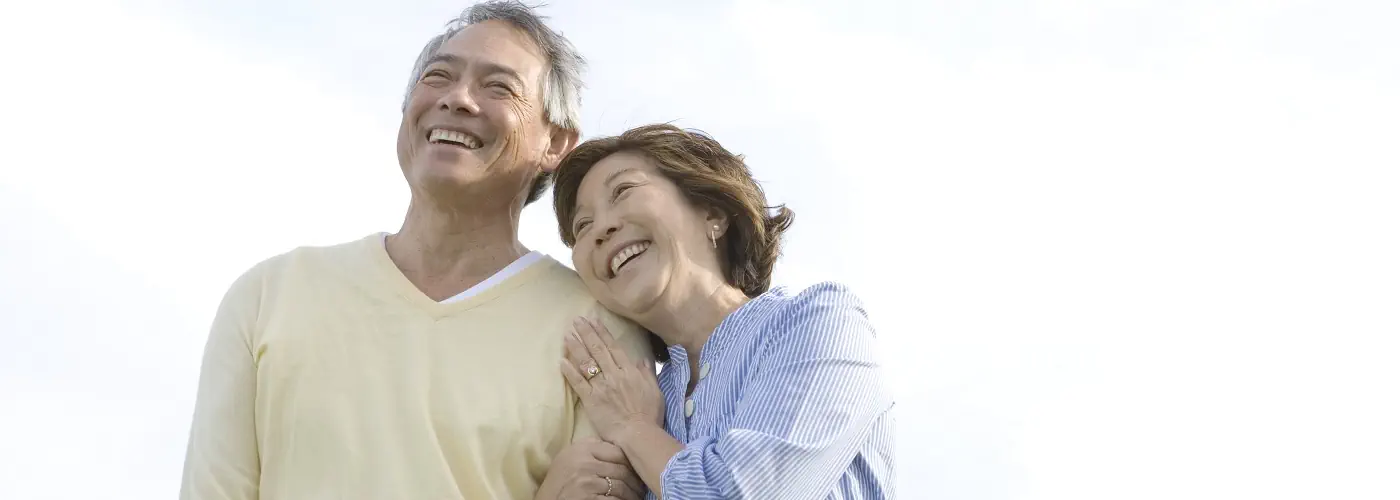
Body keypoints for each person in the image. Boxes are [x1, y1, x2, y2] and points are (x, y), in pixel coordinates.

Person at [179, 2, 653, 499]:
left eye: (498, 87)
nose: (458, 99)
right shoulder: (269, 295)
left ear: (554, 142)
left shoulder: (599, 332)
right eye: (437, 77)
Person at [551, 124, 896, 499]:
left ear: (712, 212)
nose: (601, 228)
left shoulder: (821, 320)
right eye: (582, 226)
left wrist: (634, 427)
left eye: (624, 191)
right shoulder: (632, 394)